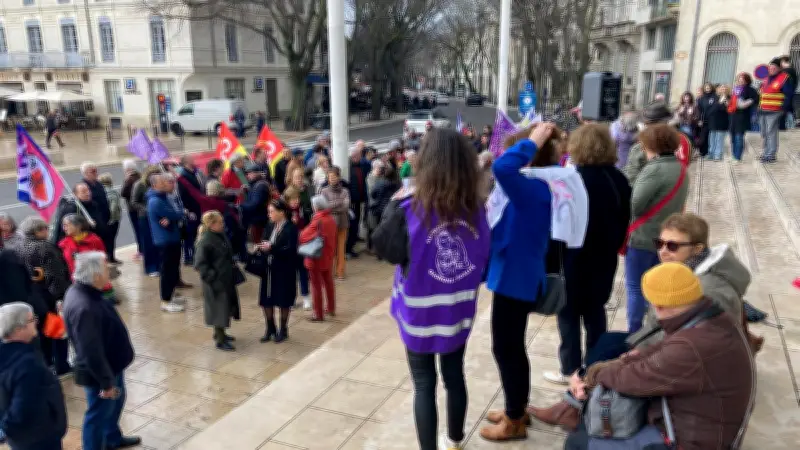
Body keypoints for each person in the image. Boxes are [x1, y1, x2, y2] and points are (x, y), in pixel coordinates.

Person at [372, 128, 490, 450]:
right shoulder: (478, 209)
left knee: (424, 384)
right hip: (457, 310)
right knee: (455, 376)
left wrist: (391, 206)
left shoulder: (408, 209)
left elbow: (384, 249)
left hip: (419, 314)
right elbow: (483, 262)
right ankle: (454, 440)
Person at [563, 263, 755, 450]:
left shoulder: (691, 346)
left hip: (691, 441)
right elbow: (656, 353)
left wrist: (593, 376)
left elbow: (632, 378)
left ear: (659, 306)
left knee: (578, 442)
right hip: (707, 424)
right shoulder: (710, 317)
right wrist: (600, 369)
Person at [478, 123, 555, 441]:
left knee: (506, 348)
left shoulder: (532, 187)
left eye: (515, 149)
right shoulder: (533, 185)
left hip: (517, 278)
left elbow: (502, 166)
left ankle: (513, 419)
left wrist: (531, 142)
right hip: (515, 274)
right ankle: (517, 407)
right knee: (513, 347)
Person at [543, 124, 632, 386]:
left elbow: (558, 224)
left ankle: (570, 370)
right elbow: (624, 218)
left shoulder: (572, 180)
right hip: (604, 257)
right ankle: (597, 366)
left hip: (574, 257)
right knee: (595, 312)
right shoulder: (618, 179)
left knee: (568, 314)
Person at [63, 252, 140, 450]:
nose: (110, 271)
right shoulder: (84, 307)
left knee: (114, 405)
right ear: (96, 275)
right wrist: (106, 384)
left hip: (111, 365)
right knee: (98, 414)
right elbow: (91, 352)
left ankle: (112, 438)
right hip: (101, 373)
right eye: (106, 268)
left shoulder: (84, 292)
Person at [625, 124, 689, 333]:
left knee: (636, 287)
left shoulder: (653, 170)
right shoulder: (680, 168)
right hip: (667, 237)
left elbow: (636, 204)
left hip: (644, 237)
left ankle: (634, 331)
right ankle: (655, 330)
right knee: (657, 288)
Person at [0, 302, 67, 450]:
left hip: (21, 439)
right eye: (31, 320)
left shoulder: (8, 353)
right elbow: (22, 406)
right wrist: (6, 429)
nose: (36, 322)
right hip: (38, 437)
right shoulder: (27, 364)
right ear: (18, 329)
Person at [16, 216, 71, 375]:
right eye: (45, 228)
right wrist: (60, 297)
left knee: (41, 332)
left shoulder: (20, 247)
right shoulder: (45, 248)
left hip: (33, 297)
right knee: (57, 332)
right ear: (38, 231)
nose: (48, 231)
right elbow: (56, 275)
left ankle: (47, 362)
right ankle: (62, 365)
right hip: (49, 296)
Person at [194, 211, 241, 352]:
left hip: (224, 279)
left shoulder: (219, 236)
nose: (223, 224)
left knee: (224, 308)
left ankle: (221, 334)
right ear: (212, 224)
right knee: (219, 310)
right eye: (220, 222)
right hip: (215, 282)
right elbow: (200, 264)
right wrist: (212, 276)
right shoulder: (206, 241)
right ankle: (220, 340)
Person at [254, 200, 298, 343]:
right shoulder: (270, 224)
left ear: (282, 212)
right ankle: (270, 327)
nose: (269, 214)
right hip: (269, 268)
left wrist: (271, 248)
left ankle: (283, 329)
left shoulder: (291, 228)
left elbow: (291, 250)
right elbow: (265, 239)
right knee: (267, 298)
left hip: (284, 269)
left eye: (272, 211)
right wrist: (260, 246)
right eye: (269, 211)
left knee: (283, 299)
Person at [146, 173, 187, 313]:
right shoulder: (156, 201)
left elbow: (176, 212)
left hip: (172, 238)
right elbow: (176, 213)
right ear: (155, 185)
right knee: (167, 270)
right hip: (165, 240)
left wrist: (175, 215)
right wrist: (178, 214)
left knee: (173, 268)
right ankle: (165, 300)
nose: (166, 184)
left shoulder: (164, 197)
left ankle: (171, 294)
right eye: (162, 182)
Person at [299, 195, 338, 321]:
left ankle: (318, 313)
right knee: (328, 282)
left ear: (316, 206)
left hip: (316, 258)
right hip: (328, 255)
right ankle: (331, 308)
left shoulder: (317, 220)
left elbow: (303, 236)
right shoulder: (330, 219)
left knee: (316, 286)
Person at [758, 57, 793, 163]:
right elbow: (762, 94)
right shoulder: (766, 79)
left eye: (774, 67)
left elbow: (788, 95)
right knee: (764, 132)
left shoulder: (784, 78)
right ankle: (765, 152)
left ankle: (770, 154)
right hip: (763, 109)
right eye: (770, 67)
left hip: (775, 110)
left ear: (779, 69)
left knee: (771, 132)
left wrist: (783, 109)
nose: (772, 69)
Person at [130, 166, 162, 276]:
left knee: (158, 241)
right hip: (144, 217)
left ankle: (159, 265)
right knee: (148, 242)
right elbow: (134, 202)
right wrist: (146, 209)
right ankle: (151, 268)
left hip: (157, 216)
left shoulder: (158, 185)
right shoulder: (139, 185)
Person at [283, 186, 311, 309]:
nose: (296, 201)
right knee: (290, 275)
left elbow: (307, 224)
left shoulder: (302, 210)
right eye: (292, 199)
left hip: (301, 246)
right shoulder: (284, 213)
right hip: (290, 248)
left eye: (297, 198)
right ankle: (291, 299)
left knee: (303, 272)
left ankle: (306, 297)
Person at [320, 166, 350, 280]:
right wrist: (338, 202)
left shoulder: (345, 191)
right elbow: (324, 207)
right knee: (330, 249)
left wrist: (331, 205)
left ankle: (340, 272)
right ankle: (328, 272)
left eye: (333, 176)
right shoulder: (324, 191)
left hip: (343, 223)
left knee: (341, 249)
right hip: (329, 224)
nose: (331, 179)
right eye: (329, 177)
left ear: (338, 177)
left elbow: (346, 206)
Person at [176, 155, 205, 265]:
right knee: (189, 233)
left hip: (197, 207)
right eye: (191, 159)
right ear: (186, 162)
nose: (194, 160)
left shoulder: (193, 173)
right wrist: (187, 210)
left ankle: (193, 254)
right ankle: (189, 257)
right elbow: (183, 195)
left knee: (194, 232)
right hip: (191, 209)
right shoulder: (184, 176)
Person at [80, 162, 111, 250]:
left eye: (96, 171)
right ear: (86, 173)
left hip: (104, 219)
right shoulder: (83, 187)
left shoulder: (99, 184)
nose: (96, 173)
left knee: (106, 242)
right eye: (93, 171)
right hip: (93, 221)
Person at [730, 73, 759, 163]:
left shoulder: (750, 90)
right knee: (733, 137)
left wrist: (746, 103)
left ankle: (738, 157)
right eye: (739, 79)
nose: (740, 80)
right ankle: (734, 155)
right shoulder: (735, 89)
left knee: (739, 137)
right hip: (733, 116)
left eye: (743, 79)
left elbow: (755, 99)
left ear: (747, 80)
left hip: (743, 116)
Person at [241, 164, 272, 244]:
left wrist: (240, 206)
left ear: (257, 173)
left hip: (259, 220)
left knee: (258, 243)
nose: (247, 176)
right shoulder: (256, 184)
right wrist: (247, 192)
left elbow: (255, 204)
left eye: (249, 173)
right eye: (247, 174)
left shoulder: (260, 186)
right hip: (258, 219)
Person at [347, 147, 369, 258]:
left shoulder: (361, 166)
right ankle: (351, 243)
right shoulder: (349, 168)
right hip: (352, 200)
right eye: (356, 156)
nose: (358, 158)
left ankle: (355, 237)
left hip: (360, 197)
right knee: (353, 221)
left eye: (359, 156)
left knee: (358, 218)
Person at [120, 159, 142, 261]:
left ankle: (141, 250)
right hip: (139, 207)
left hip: (133, 209)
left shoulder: (130, 179)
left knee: (138, 230)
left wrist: (125, 180)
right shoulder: (139, 175)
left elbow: (123, 193)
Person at [99, 173, 122, 264]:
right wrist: (111, 219)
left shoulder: (100, 192)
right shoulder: (113, 192)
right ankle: (111, 258)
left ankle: (105, 257)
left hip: (102, 220)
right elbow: (113, 207)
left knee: (104, 240)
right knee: (111, 240)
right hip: (112, 220)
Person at [707, 84, 731, 161]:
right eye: (721, 88)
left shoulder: (729, 98)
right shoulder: (713, 97)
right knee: (712, 139)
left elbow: (730, 110)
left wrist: (727, 103)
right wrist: (720, 102)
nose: (723, 90)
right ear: (718, 89)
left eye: (724, 88)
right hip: (713, 122)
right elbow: (711, 110)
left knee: (719, 140)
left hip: (723, 122)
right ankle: (711, 154)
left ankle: (718, 155)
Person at [696, 82, 717, 159]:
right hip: (703, 120)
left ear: (711, 88)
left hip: (712, 120)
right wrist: (699, 120)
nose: (707, 89)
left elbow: (715, 108)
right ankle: (703, 152)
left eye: (709, 87)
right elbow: (699, 110)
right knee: (703, 136)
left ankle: (710, 152)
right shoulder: (701, 98)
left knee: (711, 137)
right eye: (706, 87)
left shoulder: (715, 97)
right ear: (704, 89)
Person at [779, 55, 797, 129]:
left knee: (784, 115)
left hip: (784, 97)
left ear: (783, 62)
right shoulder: (792, 71)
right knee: (789, 111)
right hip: (789, 95)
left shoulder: (786, 71)